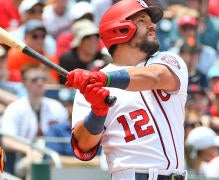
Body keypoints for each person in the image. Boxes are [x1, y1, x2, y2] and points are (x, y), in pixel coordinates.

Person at [65, 0, 188, 179]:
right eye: (142, 20)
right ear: (120, 29)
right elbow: (84, 146)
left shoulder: (167, 61)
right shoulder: (91, 88)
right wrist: (98, 112)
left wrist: (103, 79)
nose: (152, 25)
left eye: (151, 21)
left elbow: (154, 77)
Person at [1, 64, 68, 178]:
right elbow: (7, 141)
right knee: (36, 162)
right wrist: (28, 150)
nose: (40, 83)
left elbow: (65, 135)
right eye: (34, 80)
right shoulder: (15, 108)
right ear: (24, 83)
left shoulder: (56, 106)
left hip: (55, 153)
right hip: (25, 156)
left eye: (43, 79)